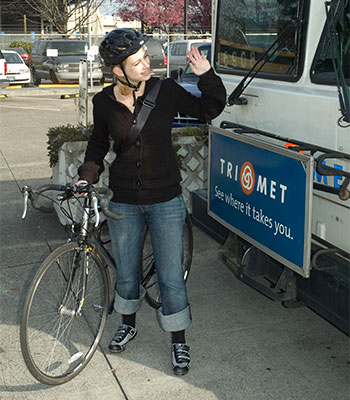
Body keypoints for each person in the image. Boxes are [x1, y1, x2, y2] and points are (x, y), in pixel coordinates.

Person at [77, 29, 226, 375]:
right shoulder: (103, 102)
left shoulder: (166, 91)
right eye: (137, 61)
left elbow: (208, 110)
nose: (147, 64)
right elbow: (98, 145)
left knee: (171, 276)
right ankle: (128, 323)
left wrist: (206, 76)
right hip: (124, 201)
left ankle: (178, 341)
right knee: (126, 272)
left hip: (166, 199)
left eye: (146, 57)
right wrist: (87, 175)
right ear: (118, 70)